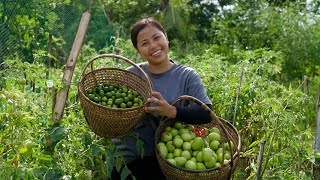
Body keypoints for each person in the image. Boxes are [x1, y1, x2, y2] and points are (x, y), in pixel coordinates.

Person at [111, 17, 213, 180]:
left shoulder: (186, 75)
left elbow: (206, 115)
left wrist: (172, 111)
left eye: (157, 38)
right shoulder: (131, 75)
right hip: (127, 164)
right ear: (138, 50)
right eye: (144, 43)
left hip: (167, 164)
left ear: (166, 37)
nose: (153, 46)